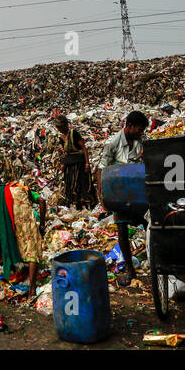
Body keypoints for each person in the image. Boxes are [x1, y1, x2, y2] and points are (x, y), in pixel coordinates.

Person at [97, 110, 149, 281]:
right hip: (120, 192)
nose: (141, 133)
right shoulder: (112, 143)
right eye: (139, 129)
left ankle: (152, 260)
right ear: (130, 126)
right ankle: (130, 269)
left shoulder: (140, 141)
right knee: (122, 231)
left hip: (137, 191)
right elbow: (102, 169)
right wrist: (102, 195)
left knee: (148, 224)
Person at [48, 113, 95, 207]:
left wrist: (87, 163)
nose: (59, 129)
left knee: (82, 184)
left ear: (65, 125)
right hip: (69, 165)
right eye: (58, 127)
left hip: (80, 164)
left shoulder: (74, 134)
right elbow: (66, 153)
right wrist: (63, 164)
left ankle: (86, 204)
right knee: (71, 185)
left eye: (60, 127)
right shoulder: (61, 138)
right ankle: (75, 204)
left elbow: (84, 148)